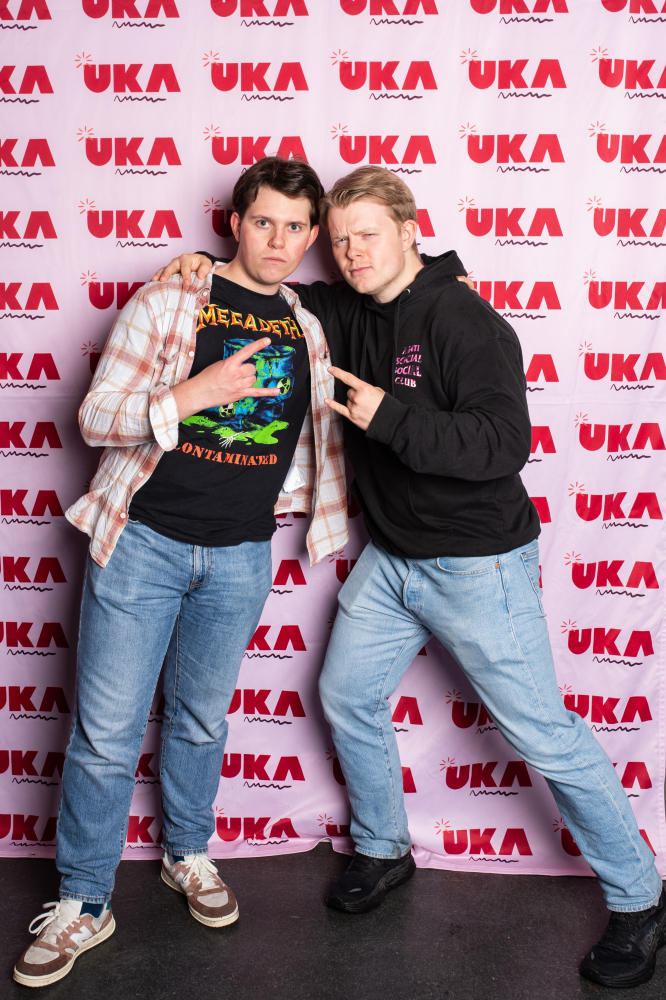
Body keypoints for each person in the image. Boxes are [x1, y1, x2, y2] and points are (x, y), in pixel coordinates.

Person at [154, 164, 666, 990]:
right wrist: (201, 268)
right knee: (347, 694)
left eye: (368, 236)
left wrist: (390, 419)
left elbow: (503, 445)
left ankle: (641, 898)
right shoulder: (343, 308)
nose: (352, 253)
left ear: (410, 232)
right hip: (392, 560)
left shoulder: (465, 321)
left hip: (477, 565)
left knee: (544, 733)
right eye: (340, 240)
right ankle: (386, 847)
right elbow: (269, 290)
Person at [13, 157, 350, 989]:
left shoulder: (308, 329)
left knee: (201, 721)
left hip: (240, 554)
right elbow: (95, 418)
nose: (278, 241)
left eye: (295, 227)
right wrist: (194, 393)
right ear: (235, 222)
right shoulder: (171, 300)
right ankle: (85, 898)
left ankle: (186, 853)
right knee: (106, 731)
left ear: (313, 236)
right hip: (145, 544)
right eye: (263, 221)